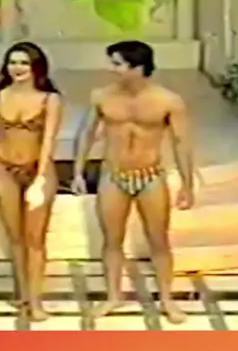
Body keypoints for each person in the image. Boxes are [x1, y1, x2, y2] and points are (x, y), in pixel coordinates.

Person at [72, 40, 194, 324]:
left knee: (159, 240)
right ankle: (113, 296)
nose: (112, 69)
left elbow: (181, 142)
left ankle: (167, 299)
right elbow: (86, 134)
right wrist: (78, 171)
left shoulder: (168, 100)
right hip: (114, 175)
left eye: (118, 64)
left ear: (137, 67)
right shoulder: (102, 96)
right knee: (112, 240)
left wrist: (187, 184)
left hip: (150, 175)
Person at [0, 42, 63, 322]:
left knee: (34, 239)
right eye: (13, 62)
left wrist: (40, 178)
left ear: (36, 67)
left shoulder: (50, 100)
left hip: (37, 167)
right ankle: (23, 294)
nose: (17, 68)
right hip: (3, 167)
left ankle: (36, 301)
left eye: (24, 63)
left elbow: (49, 140)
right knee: (15, 237)